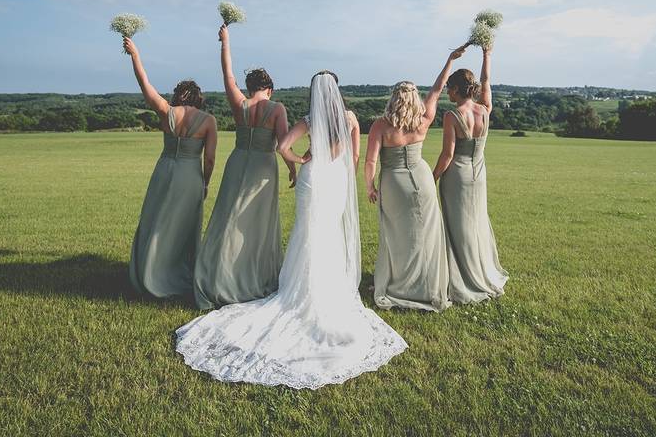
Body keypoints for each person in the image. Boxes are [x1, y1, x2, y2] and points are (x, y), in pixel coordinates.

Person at [175, 71, 407, 388]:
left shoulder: (310, 119)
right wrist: (343, 174)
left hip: (311, 179)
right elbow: (353, 155)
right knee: (327, 237)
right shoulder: (350, 118)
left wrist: (302, 159)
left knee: (307, 234)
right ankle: (327, 290)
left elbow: (282, 146)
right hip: (335, 182)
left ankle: (299, 290)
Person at [193, 24, 293, 309]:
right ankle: (253, 275)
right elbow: (284, 143)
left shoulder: (240, 104)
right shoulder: (277, 109)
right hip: (263, 169)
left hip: (237, 163)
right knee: (257, 225)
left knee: (229, 217)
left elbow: (227, 74)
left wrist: (225, 42)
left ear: (249, 89)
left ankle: (220, 276)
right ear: (269, 90)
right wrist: (293, 167)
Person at [364, 47, 464, 311]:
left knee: (397, 235)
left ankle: (396, 285)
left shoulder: (381, 126)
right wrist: (449, 61)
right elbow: (438, 88)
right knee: (425, 234)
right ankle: (426, 285)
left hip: (394, 183)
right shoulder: (424, 119)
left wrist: (370, 186)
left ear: (394, 98)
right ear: (414, 99)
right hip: (423, 180)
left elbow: (371, 161)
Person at [123, 36, 217, 299]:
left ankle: (151, 272)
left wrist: (135, 55)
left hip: (165, 170)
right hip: (190, 176)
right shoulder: (208, 120)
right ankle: (180, 272)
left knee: (157, 219)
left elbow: (145, 84)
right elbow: (209, 159)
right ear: (198, 99)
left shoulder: (166, 111)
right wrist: (206, 182)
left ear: (178, 95)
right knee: (184, 226)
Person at [432, 45, 508, 303]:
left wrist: (431, 178)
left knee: (457, 228)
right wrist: (487, 54)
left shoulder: (452, 115)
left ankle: (461, 278)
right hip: (479, 174)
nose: (447, 93)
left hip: (457, 177)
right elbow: (486, 81)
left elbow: (447, 156)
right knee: (474, 223)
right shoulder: (484, 110)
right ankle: (480, 270)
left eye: (449, 89)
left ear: (456, 90)